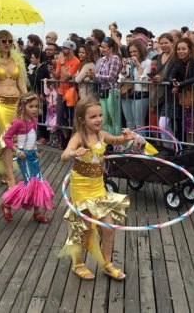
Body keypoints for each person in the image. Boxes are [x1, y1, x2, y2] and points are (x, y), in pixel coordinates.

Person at [60, 97, 132, 281]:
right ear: (82, 119)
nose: (99, 119)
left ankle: (107, 264)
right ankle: (78, 264)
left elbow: (117, 140)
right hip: (81, 188)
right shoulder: (78, 137)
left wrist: (126, 137)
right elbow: (64, 155)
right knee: (84, 228)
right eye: (93, 117)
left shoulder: (102, 134)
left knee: (107, 227)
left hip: (98, 187)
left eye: (100, 115)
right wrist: (73, 153)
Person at [0, 92, 55, 223]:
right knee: (30, 183)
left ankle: (36, 212)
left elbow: (32, 138)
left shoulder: (35, 120)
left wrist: (35, 151)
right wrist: (16, 150)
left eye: (36, 106)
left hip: (32, 156)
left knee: (39, 182)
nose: (35, 109)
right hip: (23, 157)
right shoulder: (18, 122)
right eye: (31, 106)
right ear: (23, 106)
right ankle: (7, 204)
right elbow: (6, 138)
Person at [0, 30, 27, 186]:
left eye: (9, 41)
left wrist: (28, 98)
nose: (7, 44)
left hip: (15, 102)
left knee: (11, 137)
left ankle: (3, 169)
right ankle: (11, 177)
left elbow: (21, 84)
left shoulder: (17, 59)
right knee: (5, 135)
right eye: (3, 41)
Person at [169, 38, 194, 143]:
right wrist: (174, 82)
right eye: (178, 49)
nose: (180, 51)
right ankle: (189, 151)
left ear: (190, 50)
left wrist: (180, 84)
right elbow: (171, 76)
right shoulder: (177, 61)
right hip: (186, 99)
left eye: (183, 49)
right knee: (188, 128)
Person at [54, 40, 81, 148]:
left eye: (64, 48)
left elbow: (67, 77)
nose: (63, 50)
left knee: (71, 117)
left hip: (71, 93)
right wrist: (51, 70)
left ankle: (72, 140)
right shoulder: (61, 60)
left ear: (70, 49)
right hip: (61, 91)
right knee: (60, 118)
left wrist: (61, 63)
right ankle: (66, 138)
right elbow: (57, 76)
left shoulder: (76, 61)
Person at [120, 39, 151, 130]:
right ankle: (132, 144)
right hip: (127, 94)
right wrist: (124, 67)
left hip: (140, 95)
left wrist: (138, 65)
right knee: (129, 123)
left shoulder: (147, 62)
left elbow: (144, 81)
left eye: (135, 51)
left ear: (140, 50)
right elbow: (121, 79)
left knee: (139, 125)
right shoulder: (130, 63)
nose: (133, 54)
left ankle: (141, 144)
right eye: (131, 52)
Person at [94, 37, 121, 136]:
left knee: (114, 119)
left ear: (111, 48)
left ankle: (117, 143)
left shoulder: (115, 58)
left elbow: (111, 77)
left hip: (112, 91)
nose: (102, 49)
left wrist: (95, 76)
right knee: (104, 119)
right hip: (103, 90)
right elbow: (98, 75)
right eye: (102, 47)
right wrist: (94, 75)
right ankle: (108, 141)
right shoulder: (102, 59)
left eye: (104, 47)